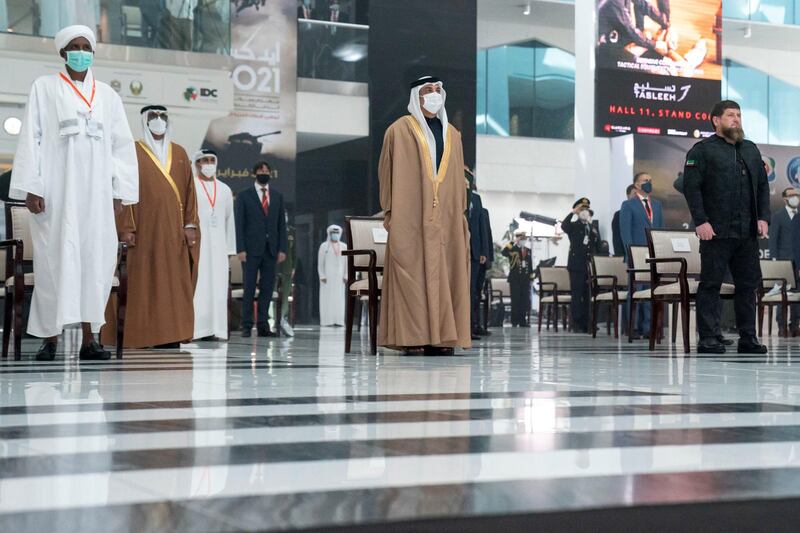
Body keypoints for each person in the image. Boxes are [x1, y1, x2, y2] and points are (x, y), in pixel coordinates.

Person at [11, 25, 138, 361]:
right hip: (56, 194)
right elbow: (31, 139)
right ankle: (49, 340)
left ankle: (89, 340)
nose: (81, 51)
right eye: (74, 46)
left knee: (94, 264)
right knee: (55, 263)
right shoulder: (45, 87)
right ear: (62, 52)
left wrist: (120, 195)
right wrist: (30, 187)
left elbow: (122, 147)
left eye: (86, 46)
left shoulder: (109, 96)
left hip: (96, 197)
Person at [378, 75, 471, 356]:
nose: (434, 94)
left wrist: (460, 216)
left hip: (446, 219)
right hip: (410, 217)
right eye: (428, 90)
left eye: (437, 90)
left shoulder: (453, 135)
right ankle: (412, 336)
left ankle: (442, 338)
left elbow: (456, 179)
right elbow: (386, 175)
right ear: (416, 96)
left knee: (447, 274)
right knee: (412, 275)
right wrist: (392, 213)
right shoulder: (398, 131)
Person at [102, 105, 199, 349]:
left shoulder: (179, 153)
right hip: (143, 231)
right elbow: (122, 192)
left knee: (172, 285)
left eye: (162, 116)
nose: (158, 120)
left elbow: (190, 194)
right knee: (142, 282)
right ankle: (139, 334)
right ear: (144, 120)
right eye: (153, 116)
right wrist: (126, 228)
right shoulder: (131, 151)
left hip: (173, 233)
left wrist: (190, 225)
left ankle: (170, 334)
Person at [682, 100, 770, 354]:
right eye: (730, 115)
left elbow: (762, 187)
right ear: (716, 120)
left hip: (747, 233)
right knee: (711, 284)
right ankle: (708, 337)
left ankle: (748, 338)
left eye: (739, 115)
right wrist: (701, 220)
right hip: (716, 231)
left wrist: (763, 217)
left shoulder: (751, 150)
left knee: (747, 285)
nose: (736, 119)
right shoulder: (702, 150)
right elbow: (692, 188)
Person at [235, 161, 288, 337]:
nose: (264, 173)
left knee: (267, 288)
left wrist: (282, 248)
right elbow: (239, 224)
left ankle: (264, 325)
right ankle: (247, 325)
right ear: (254, 174)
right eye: (260, 170)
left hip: (271, 250)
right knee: (249, 287)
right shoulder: (244, 196)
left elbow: (282, 225)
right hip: (250, 250)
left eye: (267, 171)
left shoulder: (277, 196)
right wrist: (240, 248)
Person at [191, 149, 235, 341]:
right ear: (197, 163)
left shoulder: (224, 189)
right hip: (198, 245)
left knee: (217, 287)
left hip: (219, 247)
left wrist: (230, 249)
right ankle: (196, 330)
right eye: (204, 160)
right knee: (199, 286)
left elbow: (229, 220)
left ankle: (215, 330)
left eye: (211, 160)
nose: (208, 163)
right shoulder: (191, 185)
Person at [620, 172, 664, 339]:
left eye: (650, 180)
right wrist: (631, 254)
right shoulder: (628, 205)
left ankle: (648, 327)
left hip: (653, 256)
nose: (649, 183)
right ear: (637, 185)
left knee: (650, 292)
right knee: (636, 291)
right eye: (645, 180)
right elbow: (625, 233)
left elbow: (661, 230)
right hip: (636, 256)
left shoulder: (658, 205)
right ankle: (633, 327)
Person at [561, 198, 601, 333]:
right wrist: (573, 212)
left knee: (588, 294)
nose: (585, 212)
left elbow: (598, 247)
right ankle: (577, 323)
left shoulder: (592, 228)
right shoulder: (573, 226)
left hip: (589, 266)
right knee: (577, 295)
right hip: (576, 266)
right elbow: (563, 226)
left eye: (586, 210)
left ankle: (587, 322)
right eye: (582, 210)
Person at [771, 188, 800, 336]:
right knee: (782, 293)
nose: (795, 197)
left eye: (797, 195)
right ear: (784, 199)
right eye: (791, 195)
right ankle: (781, 326)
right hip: (783, 260)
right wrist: (774, 260)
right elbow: (773, 239)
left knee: (797, 293)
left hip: (798, 260)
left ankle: (795, 325)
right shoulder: (778, 216)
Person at [318, 225, 347, 327]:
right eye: (333, 233)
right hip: (327, 277)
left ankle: (339, 320)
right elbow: (320, 263)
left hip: (340, 278)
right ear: (329, 234)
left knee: (339, 299)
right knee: (327, 298)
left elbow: (347, 262)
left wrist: (346, 275)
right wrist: (322, 275)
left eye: (336, 233)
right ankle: (327, 321)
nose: (335, 235)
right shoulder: (324, 246)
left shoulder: (344, 246)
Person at [503, 231, 533, 327]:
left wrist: (531, 277)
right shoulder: (512, 249)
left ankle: (522, 321)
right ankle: (514, 321)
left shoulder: (528, 250)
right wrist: (513, 242)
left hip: (525, 279)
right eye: (521, 239)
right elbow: (504, 252)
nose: (523, 241)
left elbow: (530, 265)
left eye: (524, 239)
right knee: (515, 300)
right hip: (515, 279)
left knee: (524, 300)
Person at [468, 182, 487, 339]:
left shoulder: (476, 198)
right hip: (457, 248)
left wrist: (483, 251)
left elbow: (481, 226)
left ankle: (469, 328)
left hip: (474, 251)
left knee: (472, 291)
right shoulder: (452, 193)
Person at [477, 206, 494, 335]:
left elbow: (487, 234)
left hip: (481, 260)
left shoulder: (483, 211)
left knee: (476, 294)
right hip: (471, 257)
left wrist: (489, 257)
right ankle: (471, 326)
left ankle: (476, 325)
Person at [612, 184, 637, 257]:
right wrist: (620, 257)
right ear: (628, 196)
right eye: (634, 193)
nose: (637, 196)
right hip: (627, 255)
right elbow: (617, 239)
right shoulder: (619, 215)